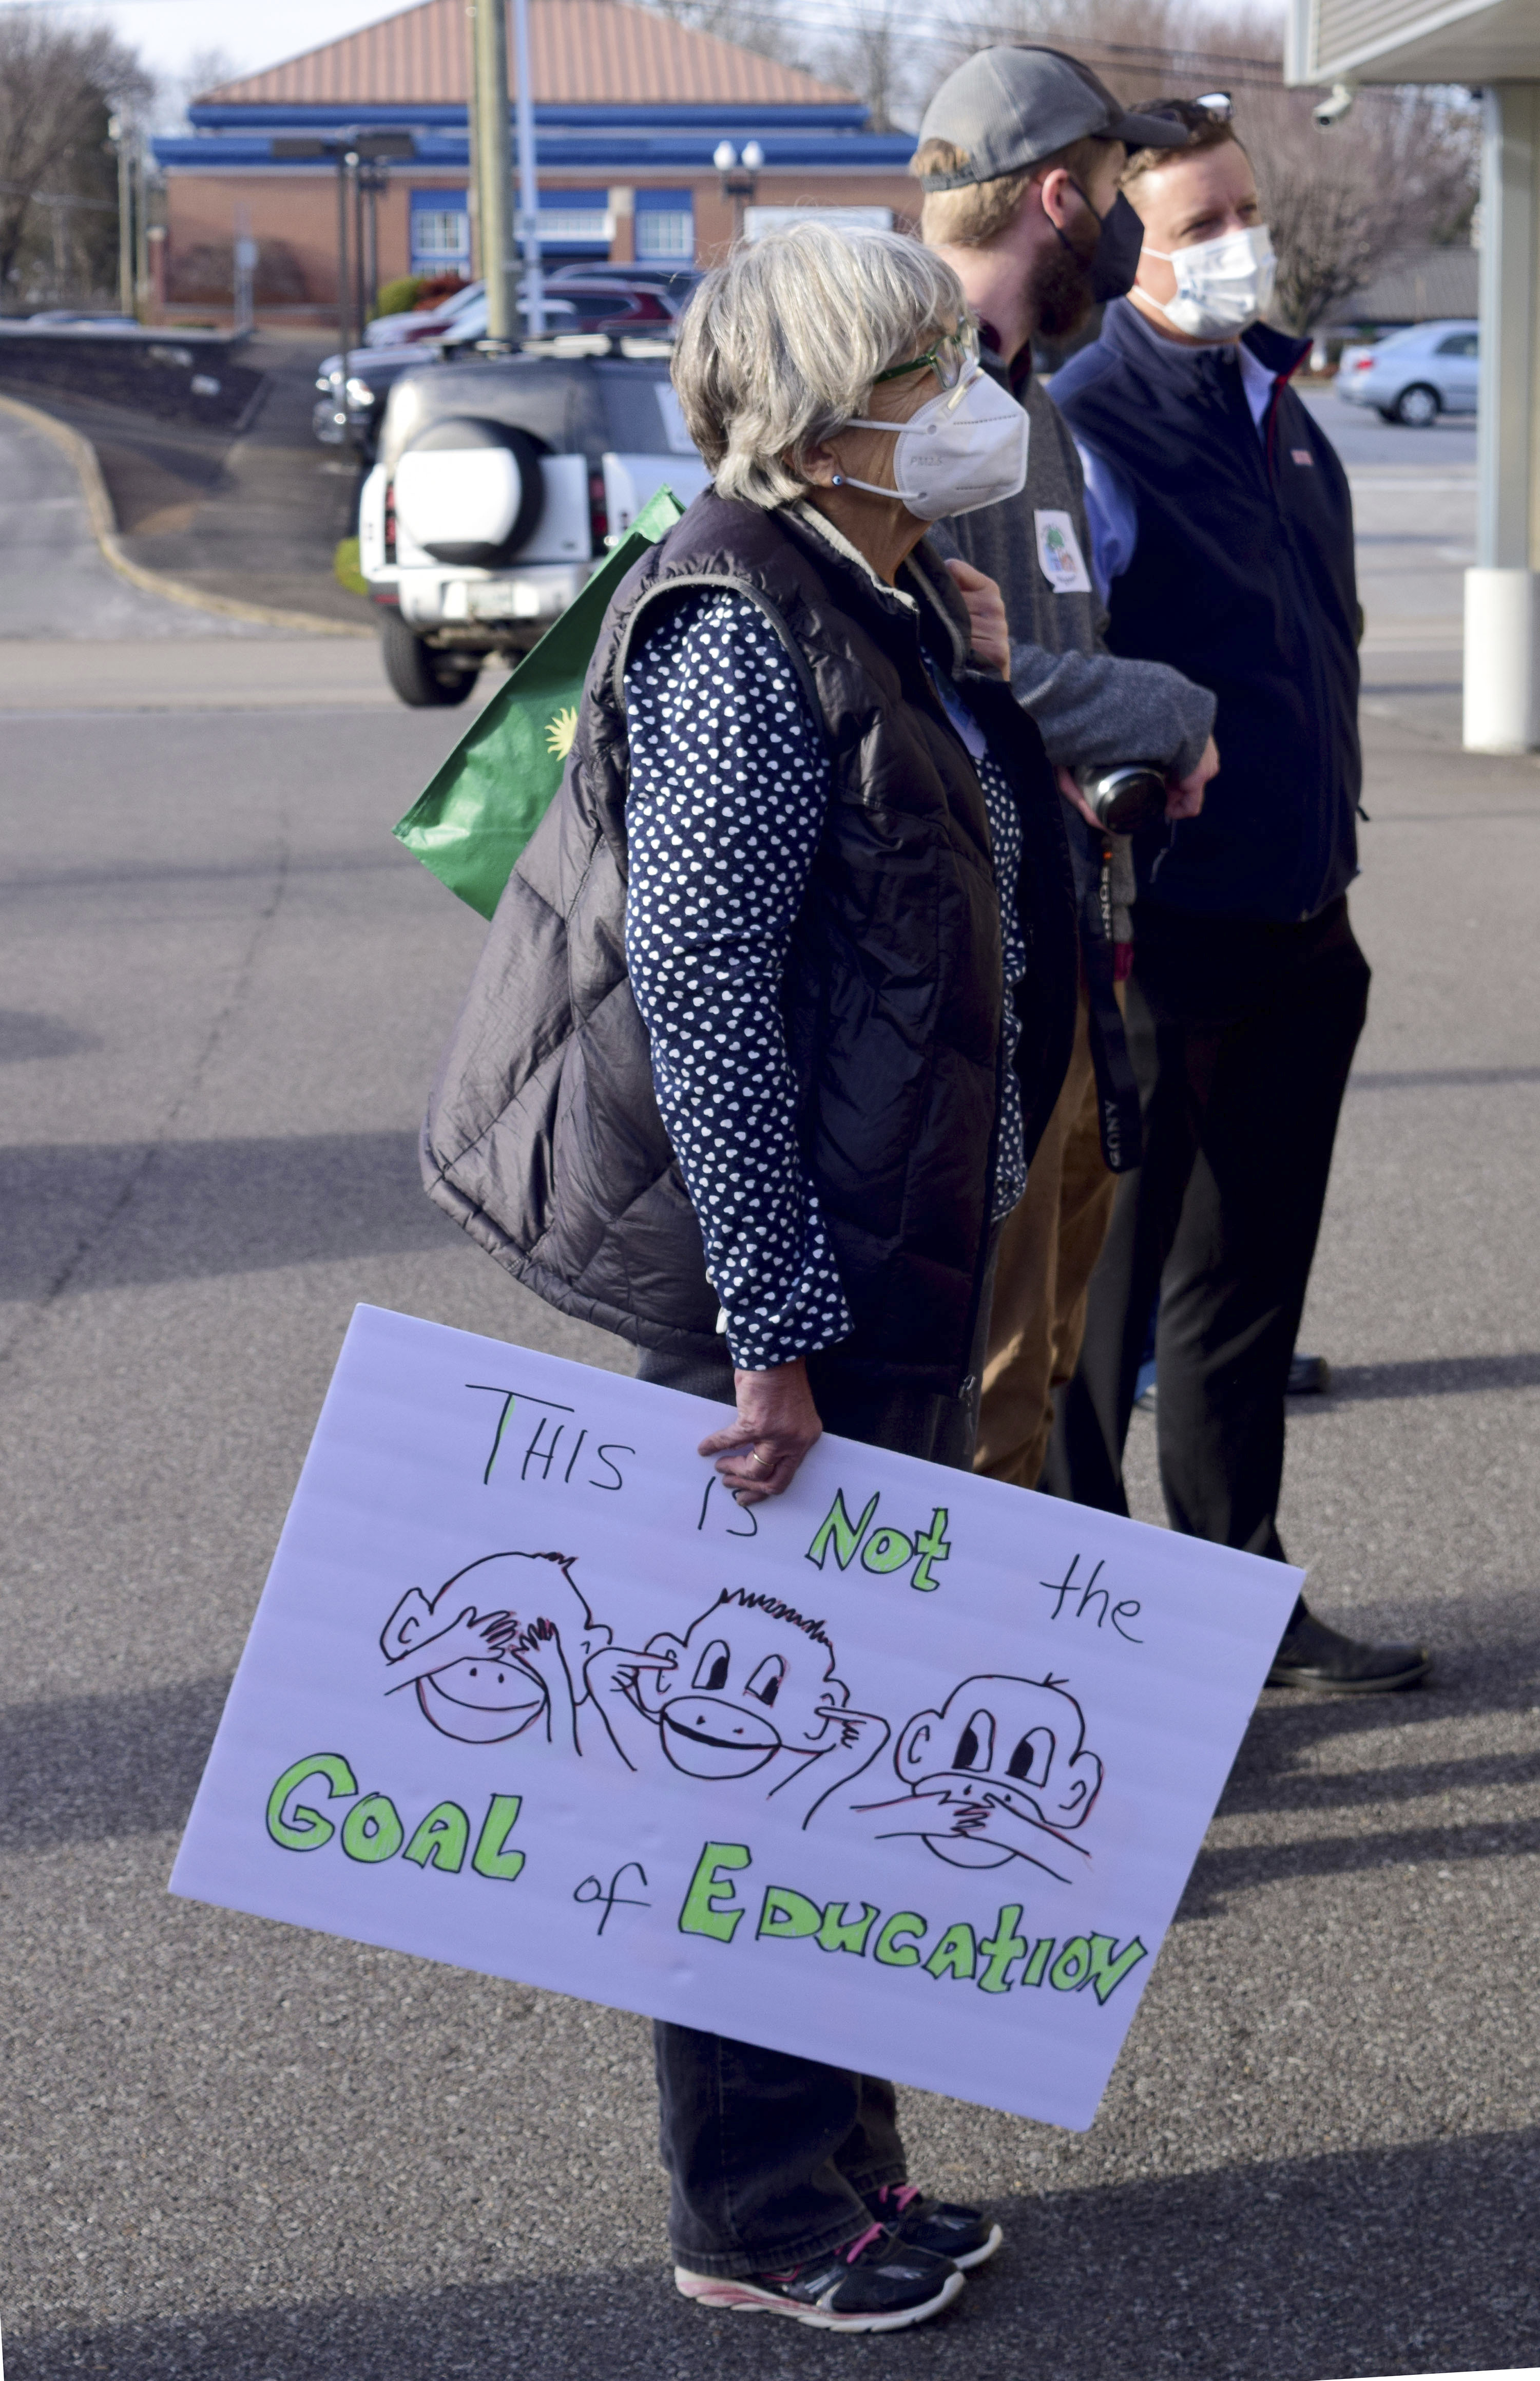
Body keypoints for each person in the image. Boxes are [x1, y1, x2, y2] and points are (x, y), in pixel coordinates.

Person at [421, 223, 1080, 2328]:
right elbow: (702, 986)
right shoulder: (731, 618)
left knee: (842, 1736)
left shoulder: (863, 588)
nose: (969, 380)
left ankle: (846, 2162)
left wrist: (967, 666)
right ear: (838, 405)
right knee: (753, 1761)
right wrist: (776, 1325)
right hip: (776, 1290)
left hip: (878, 1256)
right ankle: (760, 2211)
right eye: (928, 356)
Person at [1044, 98, 1432, 1692]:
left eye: (1244, 213)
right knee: (1104, 1311)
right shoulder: (1087, 420)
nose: (1237, 247)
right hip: (1162, 942)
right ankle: (1079, 1633)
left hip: (1300, 926)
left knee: (1245, 1291)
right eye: (1201, 225)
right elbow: (1071, 680)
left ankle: (1238, 1597)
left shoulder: (1275, 394)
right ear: (1125, 235)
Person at [912, 44, 1221, 1492]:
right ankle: (958, 1705)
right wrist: (1160, 708)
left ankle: (1041, 1702)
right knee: (978, 1391)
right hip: (969, 980)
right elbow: (926, 674)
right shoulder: (904, 401)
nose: (1126, 218)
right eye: (1113, 187)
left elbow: (1023, 666)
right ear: (1055, 194)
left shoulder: (1026, 406)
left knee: (1042, 1356)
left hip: (1074, 949)